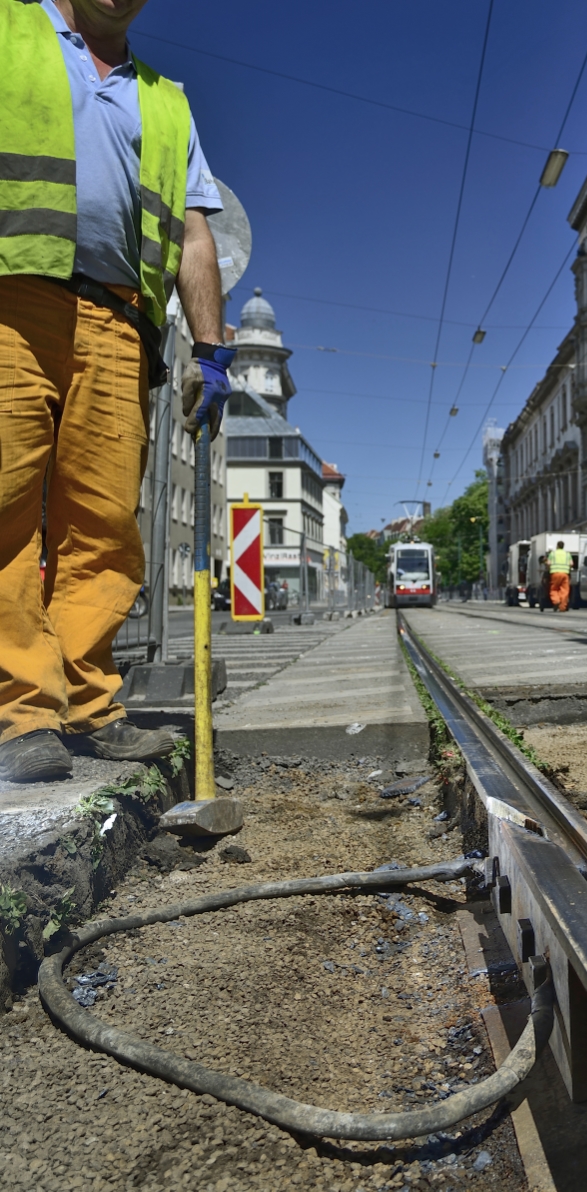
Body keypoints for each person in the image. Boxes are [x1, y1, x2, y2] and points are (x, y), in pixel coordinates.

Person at [0, 0, 236, 783]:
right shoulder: (9, 28)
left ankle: (85, 704)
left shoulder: (167, 99)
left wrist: (211, 350)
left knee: (104, 522)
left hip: (119, 319)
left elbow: (196, 235)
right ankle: (20, 712)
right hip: (11, 297)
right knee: (5, 503)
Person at [547, 540, 572, 612]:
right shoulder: (567, 554)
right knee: (565, 591)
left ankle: (556, 601)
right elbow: (571, 563)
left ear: (557, 546)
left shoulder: (553, 553)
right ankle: (562, 607)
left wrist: (549, 569)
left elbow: (548, 563)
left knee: (554, 589)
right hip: (565, 574)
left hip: (555, 573)